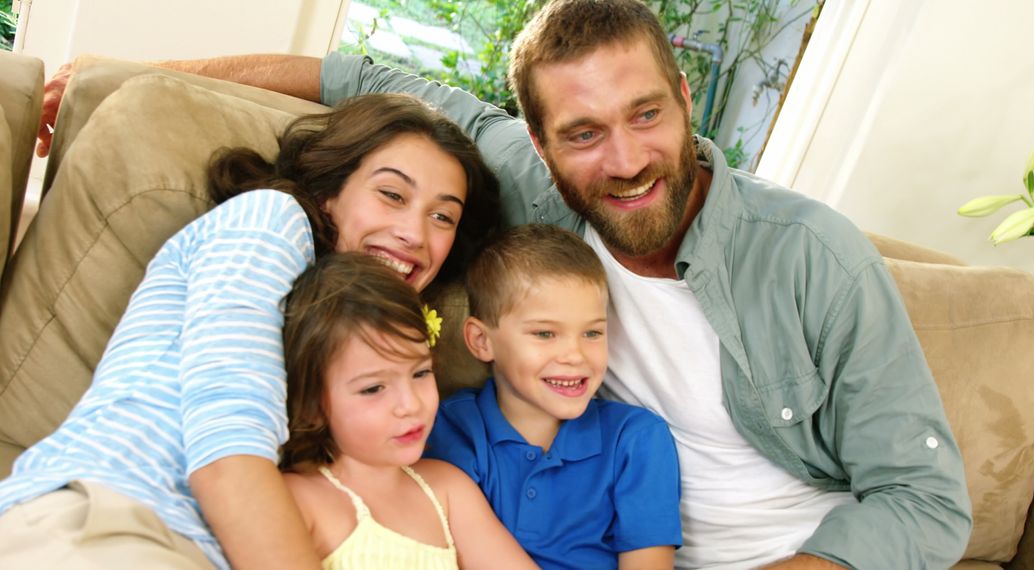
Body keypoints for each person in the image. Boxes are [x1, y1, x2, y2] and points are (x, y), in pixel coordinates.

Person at [35, 1, 973, 567]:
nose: (628, 160)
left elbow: (929, 506)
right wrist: (112, 76)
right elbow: (362, 73)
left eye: (647, 114)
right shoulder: (480, 203)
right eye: (583, 133)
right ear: (540, 147)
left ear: (686, 100)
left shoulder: (814, 256)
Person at [0, 93, 499, 569]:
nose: (415, 234)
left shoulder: (366, 338)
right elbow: (227, 449)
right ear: (328, 193)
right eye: (392, 194)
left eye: (442, 216)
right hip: (115, 517)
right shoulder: (271, 222)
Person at [425, 224, 681, 569]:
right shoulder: (450, 428)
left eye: (592, 332)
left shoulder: (635, 438)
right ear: (482, 341)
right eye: (545, 333)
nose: (575, 355)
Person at [278, 251, 537, 569]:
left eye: (420, 373)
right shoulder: (298, 500)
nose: (410, 404)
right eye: (373, 388)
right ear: (313, 405)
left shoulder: (447, 490)